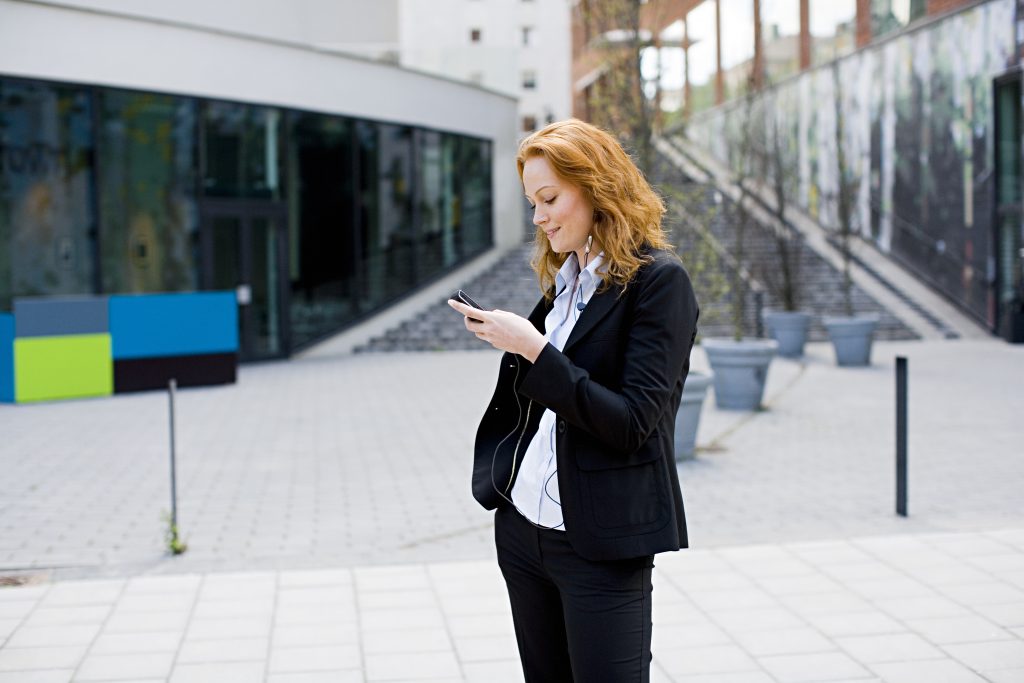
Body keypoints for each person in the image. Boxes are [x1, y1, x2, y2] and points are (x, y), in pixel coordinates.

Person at [448, 119, 699, 682]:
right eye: (532, 202)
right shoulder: (565, 285)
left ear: (596, 188)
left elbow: (633, 421)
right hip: (523, 533)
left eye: (549, 198)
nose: (537, 217)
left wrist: (536, 351)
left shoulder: (660, 284)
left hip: (601, 544)